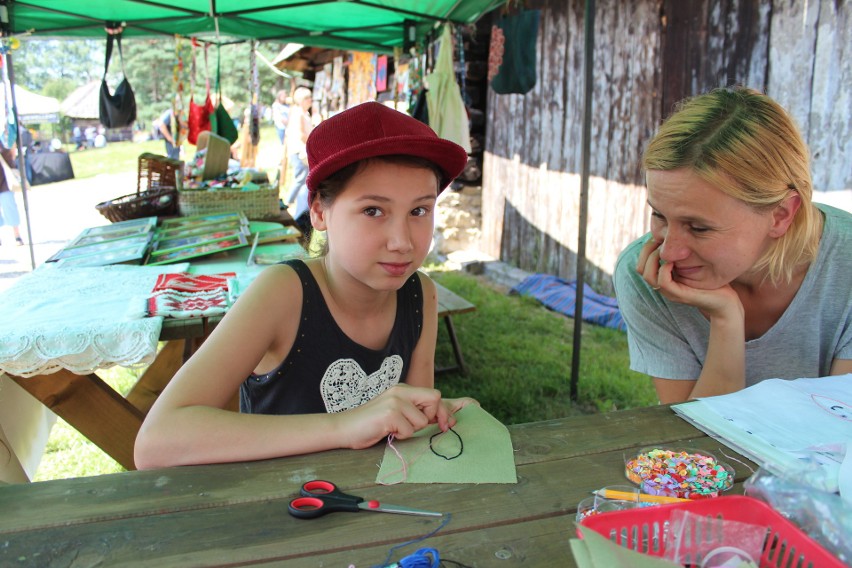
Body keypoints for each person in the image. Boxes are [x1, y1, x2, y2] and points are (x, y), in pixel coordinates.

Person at [134, 102, 475, 468]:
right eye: (373, 210)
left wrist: (433, 412)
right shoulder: (284, 294)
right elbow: (156, 443)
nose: (402, 242)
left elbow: (413, 425)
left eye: (419, 210)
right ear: (318, 211)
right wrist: (345, 426)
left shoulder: (419, 293)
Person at [613, 86, 852, 404]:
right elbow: (693, 444)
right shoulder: (645, 275)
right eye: (659, 215)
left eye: (698, 228)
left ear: (780, 215)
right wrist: (726, 319)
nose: (669, 251)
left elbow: (840, 432)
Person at [285, 86, 313, 213]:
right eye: (307, 98)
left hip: (300, 151)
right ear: (301, 100)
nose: (310, 100)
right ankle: (288, 202)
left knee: (303, 180)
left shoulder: (303, 113)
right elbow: (301, 134)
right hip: (299, 151)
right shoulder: (298, 114)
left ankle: (299, 206)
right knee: (300, 178)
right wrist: (313, 142)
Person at [0, 146, 24, 246]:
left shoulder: (3, 143)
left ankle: (17, 235)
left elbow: (10, 154)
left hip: (4, 183)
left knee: (10, 207)